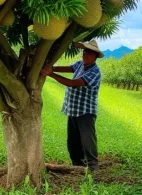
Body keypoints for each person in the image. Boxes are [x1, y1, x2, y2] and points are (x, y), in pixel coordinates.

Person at [41, 39, 103, 171]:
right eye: (84, 51)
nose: (85, 54)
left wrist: (50, 73)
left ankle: (93, 166)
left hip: (86, 111)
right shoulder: (81, 64)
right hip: (73, 109)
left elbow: (72, 83)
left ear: (95, 56)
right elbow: (69, 68)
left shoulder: (95, 72)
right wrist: (52, 67)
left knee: (87, 140)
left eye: (89, 53)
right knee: (73, 141)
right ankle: (77, 165)